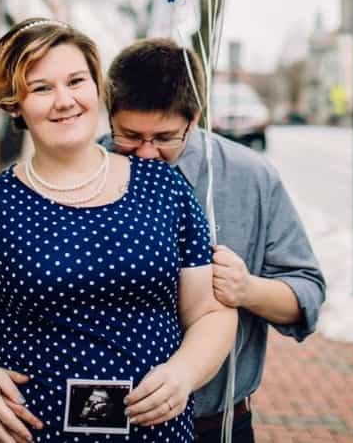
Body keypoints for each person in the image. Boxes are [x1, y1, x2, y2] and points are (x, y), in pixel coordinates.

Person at [0, 19, 236, 443]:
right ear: (14, 103)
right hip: (23, 434)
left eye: (76, 81)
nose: (64, 101)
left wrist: (184, 372)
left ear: (97, 88)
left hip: (153, 433)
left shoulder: (163, 188)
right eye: (41, 88)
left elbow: (210, 311)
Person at [102, 39, 326, 443]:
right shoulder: (82, 170)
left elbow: (307, 293)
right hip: (97, 423)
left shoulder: (251, 178)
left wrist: (247, 289)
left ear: (196, 117)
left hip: (214, 424)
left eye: (166, 137)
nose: (147, 153)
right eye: (130, 136)